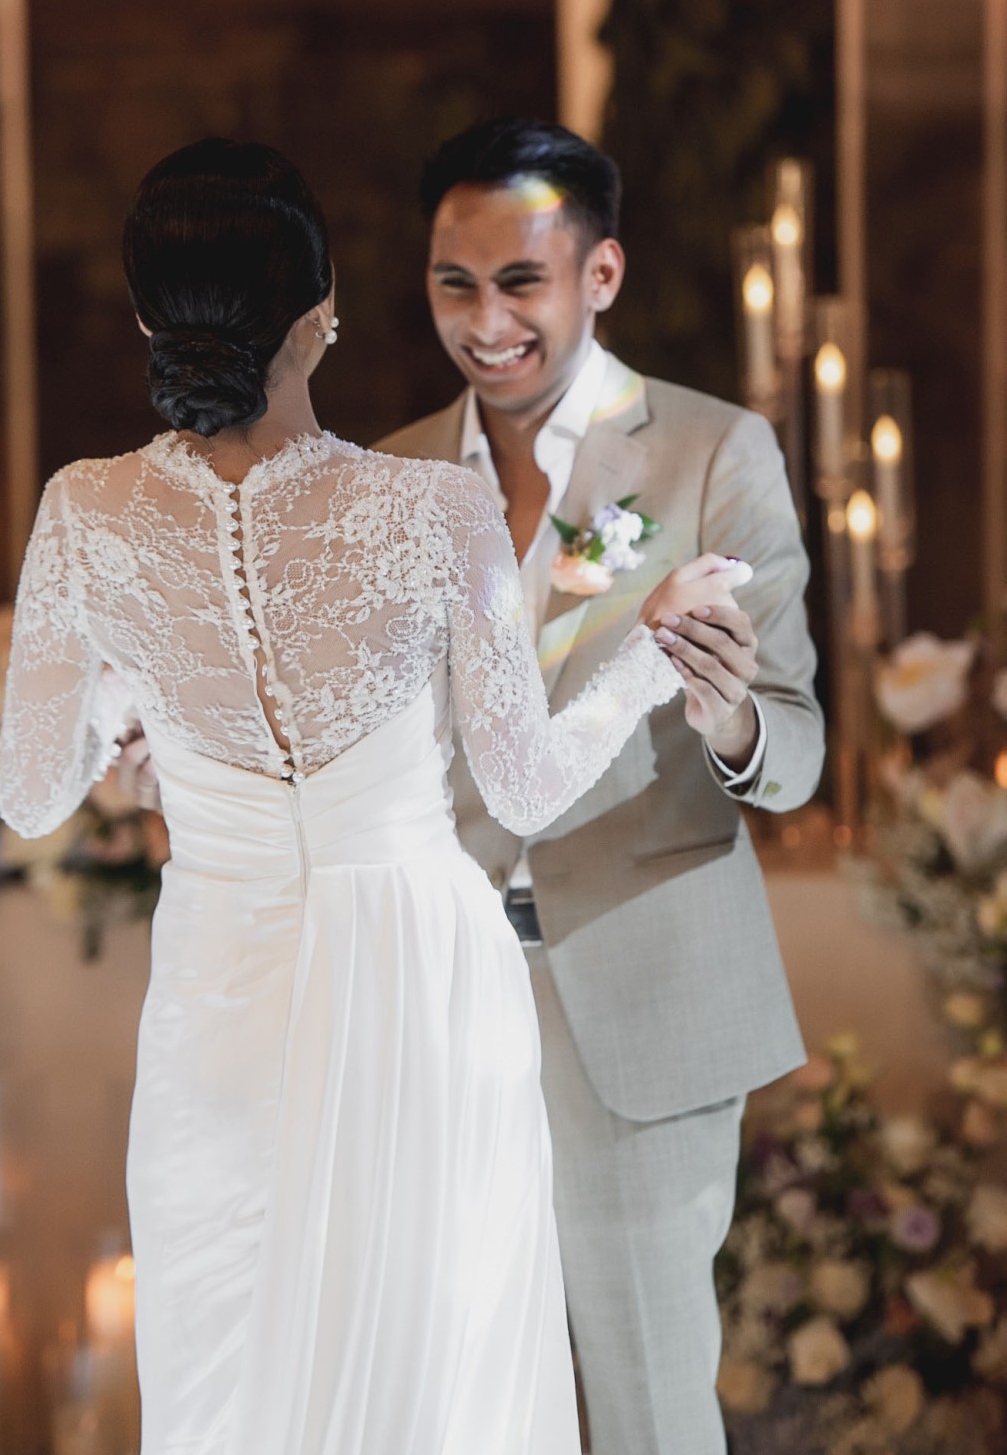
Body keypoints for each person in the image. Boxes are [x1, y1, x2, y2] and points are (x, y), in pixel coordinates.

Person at [0, 137, 752, 1455]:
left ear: (148, 320)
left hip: (221, 981)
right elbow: (524, 782)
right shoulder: (431, 509)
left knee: (231, 1366)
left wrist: (129, 698)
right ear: (324, 307)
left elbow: (29, 796)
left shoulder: (85, 514)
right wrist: (647, 654)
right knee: (435, 1371)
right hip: (418, 975)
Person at [379, 117, 823, 1455]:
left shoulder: (712, 450)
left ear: (602, 273)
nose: (486, 321)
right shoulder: (388, 477)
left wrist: (727, 710)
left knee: (646, 1415)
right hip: (438, 1004)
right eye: (456, 283)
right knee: (452, 1409)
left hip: (643, 992)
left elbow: (797, 749)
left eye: (522, 281)